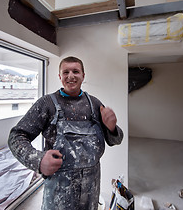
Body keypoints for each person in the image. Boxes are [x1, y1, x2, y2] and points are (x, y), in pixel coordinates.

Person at [8, 56, 123, 210]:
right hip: (59, 192)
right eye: (66, 72)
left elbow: (116, 140)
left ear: (83, 75)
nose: (71, 76)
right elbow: (16, 136)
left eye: (76, 71)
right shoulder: (47, 104)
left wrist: (112, 128)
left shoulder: (94, 104)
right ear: (60, 76)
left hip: (91, 191)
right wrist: (38, 161)